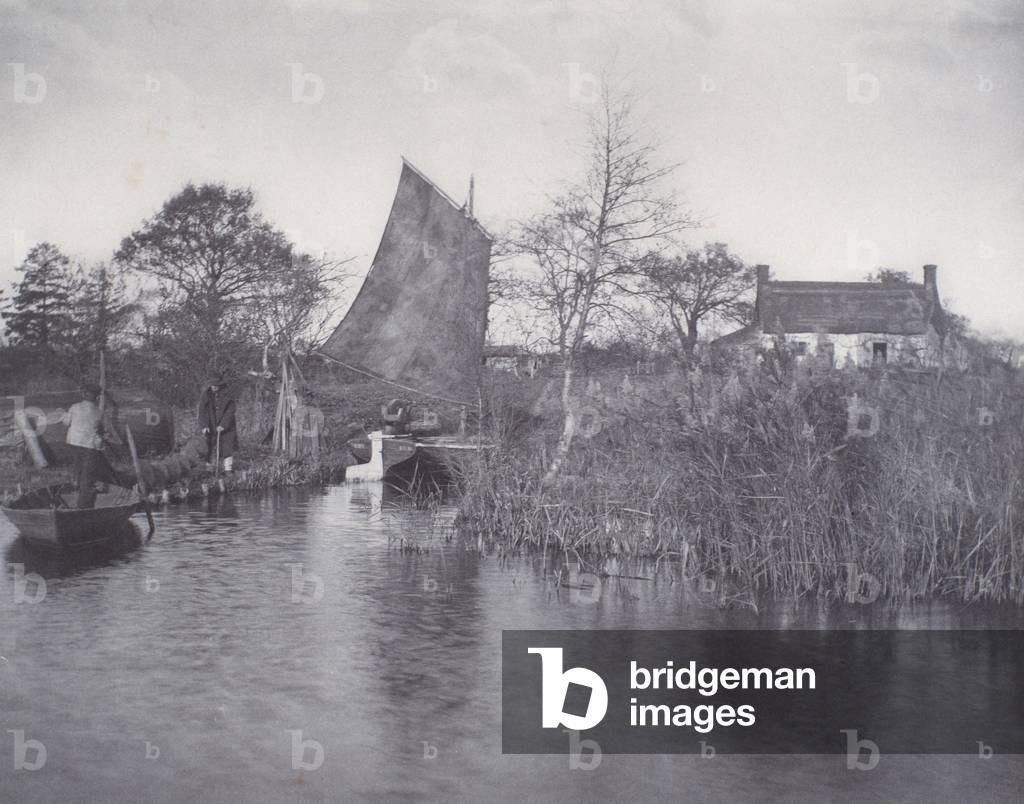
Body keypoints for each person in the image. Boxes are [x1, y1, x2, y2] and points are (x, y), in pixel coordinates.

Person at [62, 383, 130, 508]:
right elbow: (107, 432)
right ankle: (83, 506)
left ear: (84, 394)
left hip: (74, 443)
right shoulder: (99, 413)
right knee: (88, 476)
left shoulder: (74, 407)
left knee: (78, 469)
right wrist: (114, 441)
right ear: (97, 397)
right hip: (90, 446)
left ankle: (76, 489)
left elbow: (66, 423)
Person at [198, 372, 238, 473]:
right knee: (209, 446)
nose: (213, 387)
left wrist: (223, 425)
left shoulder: (228, 394)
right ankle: (209, 469)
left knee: (227, 446)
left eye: (216, 385)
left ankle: (228, 470)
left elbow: (231, 411)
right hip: (211, 424)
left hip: (227, 425)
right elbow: (202, 411)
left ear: (220, 384)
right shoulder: (206, 395)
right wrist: (204, 426)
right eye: (212, 385)